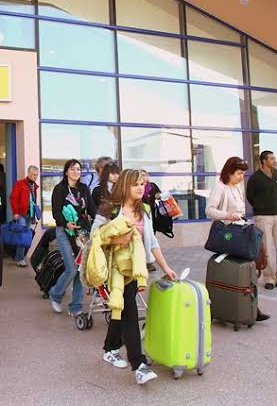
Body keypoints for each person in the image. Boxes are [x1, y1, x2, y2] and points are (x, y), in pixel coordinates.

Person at [97, 169, 177, 385]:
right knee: (130, 311)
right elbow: (93, 239)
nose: (141, 188)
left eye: (143, 184)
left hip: (135, 269)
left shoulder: (145, 211)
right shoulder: (110, 210)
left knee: (122, 308)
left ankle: (111, 348)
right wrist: (117, 241)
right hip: (114, 270)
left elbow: (152, 242)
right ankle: (139, 365)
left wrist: (165, 267)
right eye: (136, 184)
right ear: (125, 186)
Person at [206, 157, 270, 321]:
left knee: (250, 268)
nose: (242, 177)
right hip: (229, 236)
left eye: (243, 174)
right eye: (239, 173)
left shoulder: (236, 187)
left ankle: (251, 307)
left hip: (240, 232)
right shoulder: (220, 187)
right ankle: (248, 308)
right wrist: (227, 215)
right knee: (244, 269)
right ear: (229, 172)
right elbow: (209, 210)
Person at [49, 159, 96, 315]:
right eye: (72, 169)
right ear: (66, 172)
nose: (76, 172)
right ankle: (55, 294)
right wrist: (66, 223)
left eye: (78, 169)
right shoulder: (59, 189)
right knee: (71, 268)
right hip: (64, 231)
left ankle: (75, 306)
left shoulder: (84, 189)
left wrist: (102, 222)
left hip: (82, 234)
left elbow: (92, 209)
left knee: (80, 269)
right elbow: (56, 212)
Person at [246, 151, 277, 291]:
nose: (274, 160)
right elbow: (250, 196)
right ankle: (269, 279)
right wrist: (260, 207)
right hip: (263, 216)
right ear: (264, 161)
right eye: (272, 158)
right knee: (266, 249)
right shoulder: (255, 177)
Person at [9, 166, 40, 267]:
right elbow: (13, 198)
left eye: (37, 175)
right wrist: (15, 212)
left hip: (29, 214)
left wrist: (34, 217)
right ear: (28, 173)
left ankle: (18, 257)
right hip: (21, 214)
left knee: (25, 237)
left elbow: (33, 202)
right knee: (22, 237)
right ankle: (20, 258)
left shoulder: (34, 186)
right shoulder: (20, 184)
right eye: (34, 174)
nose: (36, 177)